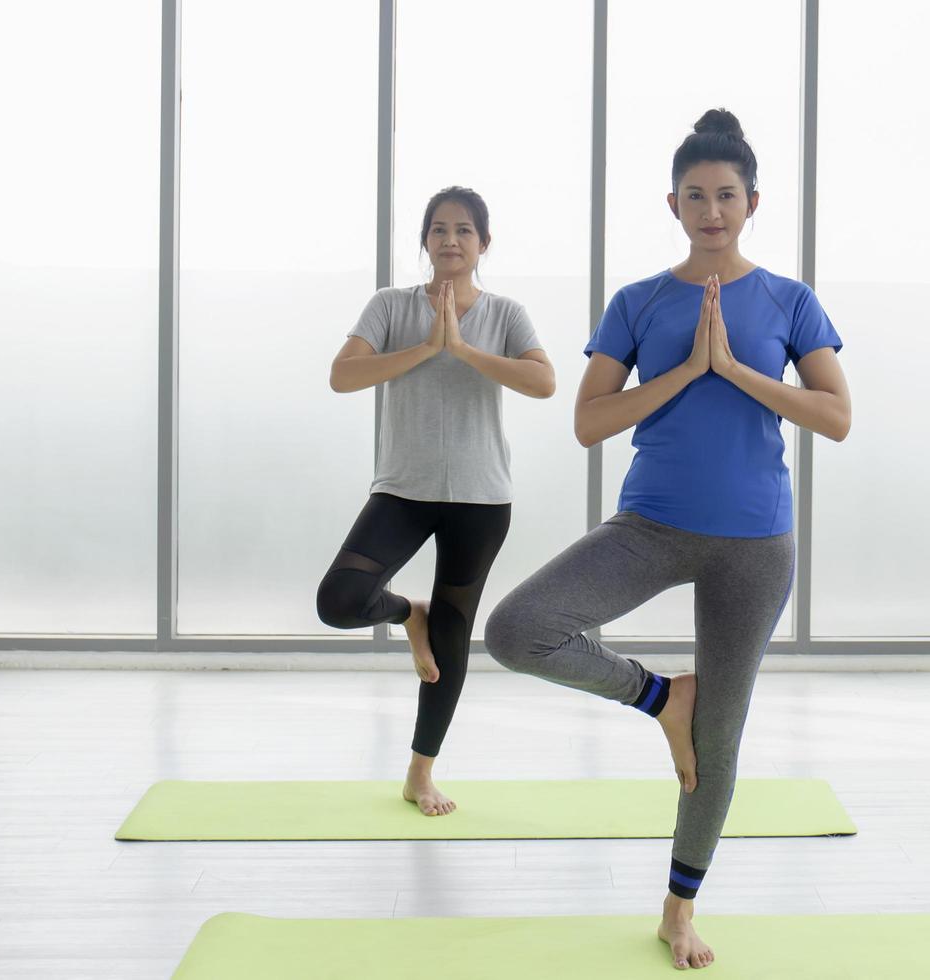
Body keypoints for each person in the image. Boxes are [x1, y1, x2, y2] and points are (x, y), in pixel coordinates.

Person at [484, 110, 851, 970]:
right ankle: (659, 698)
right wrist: (686, 369)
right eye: (695, 195)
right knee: (515, 628)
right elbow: (587, 421)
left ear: (753, 201)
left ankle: (678, 910)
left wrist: (738, 371)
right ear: (673, 203)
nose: (711, 209)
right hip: (649, 525)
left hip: (755, 543)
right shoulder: (639, 301)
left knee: (718, 742)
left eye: (726, 194)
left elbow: (835, 417)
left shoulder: (789, 301)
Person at [316, 186, 556, 817]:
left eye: (465, 230)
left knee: (452, 639)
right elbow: (343, 375)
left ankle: (420, 775)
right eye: (440, 229)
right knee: (339, 599)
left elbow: (544, 381)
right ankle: (405, 613)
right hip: (401, 488)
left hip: (480, 497)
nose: (451, 240)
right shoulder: (391, 305)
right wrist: (426, 347)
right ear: (425, 240)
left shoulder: (505, 314)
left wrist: (465, 350)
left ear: (483, 243)